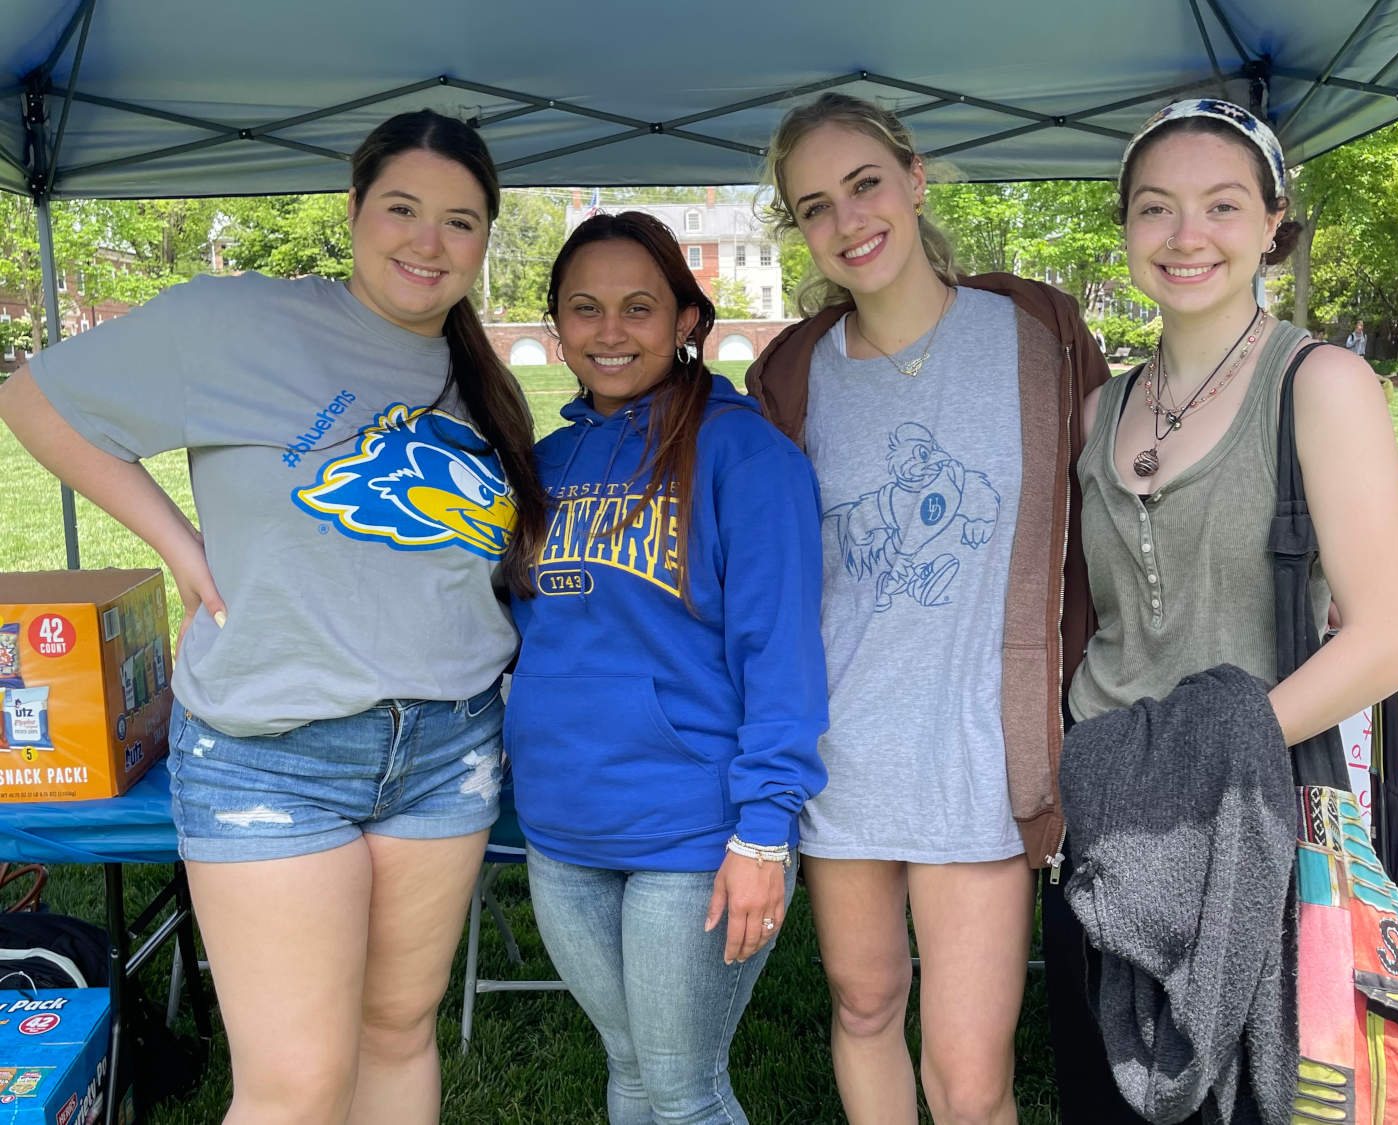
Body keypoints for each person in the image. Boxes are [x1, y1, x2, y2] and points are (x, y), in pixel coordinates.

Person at [0, 109, 548, 1125]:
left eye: (461, 222)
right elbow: (38, 403)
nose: (429, 242)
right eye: (403, 209)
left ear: (484, 239)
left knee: (395, 1035)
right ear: (352, 210)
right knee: (294, 1088)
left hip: (448, 749)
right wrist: (181, 548)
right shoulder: (237, 323)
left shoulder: (478, 381)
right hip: (271, 751)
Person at [1044, 97, 1398, 1124]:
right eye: (1156, 209)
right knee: (1109, 1097)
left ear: (1271, 222)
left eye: (1221, 206)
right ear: (1125, 230)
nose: (1186, 236)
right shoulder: (1103, 409)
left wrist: (1208, 750)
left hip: (1257, 817)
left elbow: (1391, 638)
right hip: (1111, 819)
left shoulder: (1321, 382)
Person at [747, 93, 1109, 1125]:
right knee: (865, 1006)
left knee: (969, 1076)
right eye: (814, 205)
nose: (848, 219)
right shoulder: (792, 375)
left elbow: (1123, 495)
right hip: (843, 751)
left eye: (865, 184)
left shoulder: (1034, 333)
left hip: (980, 756)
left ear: (914, 178)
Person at [504, 210, 828, 1125]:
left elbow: (782, 655)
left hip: (694, 832)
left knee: (684, 1091)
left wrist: (764, 830)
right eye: (585, 309)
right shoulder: (547, 464)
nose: (611, 333)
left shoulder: (746, 455)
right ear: (558, 322)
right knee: (633, 1067)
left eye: (639, 308)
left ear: (687, 320)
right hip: (563, 827)